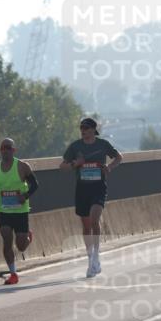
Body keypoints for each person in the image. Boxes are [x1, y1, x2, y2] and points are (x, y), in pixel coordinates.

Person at [60, 118, 123, 278]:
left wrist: (109, 167)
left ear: (93, 129)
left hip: (98, 187)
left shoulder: (102, 144)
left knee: (95, 220)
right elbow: (62, 166)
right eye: (81, 127)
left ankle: (96, 255)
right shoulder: (75, 146)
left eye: (86, 128)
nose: (83, 130)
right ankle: (90, 259)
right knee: (86, 226)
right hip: (82, 189)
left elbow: (119, 157)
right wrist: (76, 163)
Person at [0, 138, 39, 285]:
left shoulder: (22, 167)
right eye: (3, 148)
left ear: (14, 150)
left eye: (8, 148)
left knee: (20, 246)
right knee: (7, 239)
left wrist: (25, 196)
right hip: (4, 210)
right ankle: (13, 273)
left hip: (20, 211)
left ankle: (27, 237)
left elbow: (35, 184)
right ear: (0, 150)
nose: (5, 150)